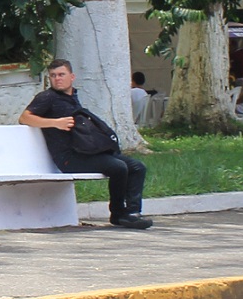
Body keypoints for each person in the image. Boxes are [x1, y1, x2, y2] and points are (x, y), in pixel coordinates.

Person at [21, 57, 151, 229]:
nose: (57, 79)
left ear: (72, 77)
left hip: (87, 152)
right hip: (69, 158)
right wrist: (55, 123)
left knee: (137, 167)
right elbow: (24, 118)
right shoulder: (47, 97)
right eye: (53, 75)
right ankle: (119, 213)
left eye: (61, 74)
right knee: (118, 167)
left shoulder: (73, 97)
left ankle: (133, 213)